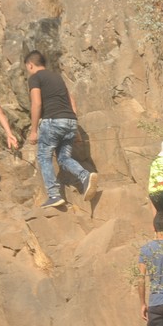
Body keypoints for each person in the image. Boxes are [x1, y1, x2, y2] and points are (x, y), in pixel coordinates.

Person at [23, 50, 99, 208]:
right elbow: (71, 100)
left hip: (53, 121)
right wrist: (75, 128)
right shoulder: (57, 77)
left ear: (30, 65)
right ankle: (85, 176)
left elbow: (36, 103)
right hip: (69, 121)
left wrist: (34, 130)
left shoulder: (35, 78)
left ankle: (54, 194)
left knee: (44, 157)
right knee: (64, 158)